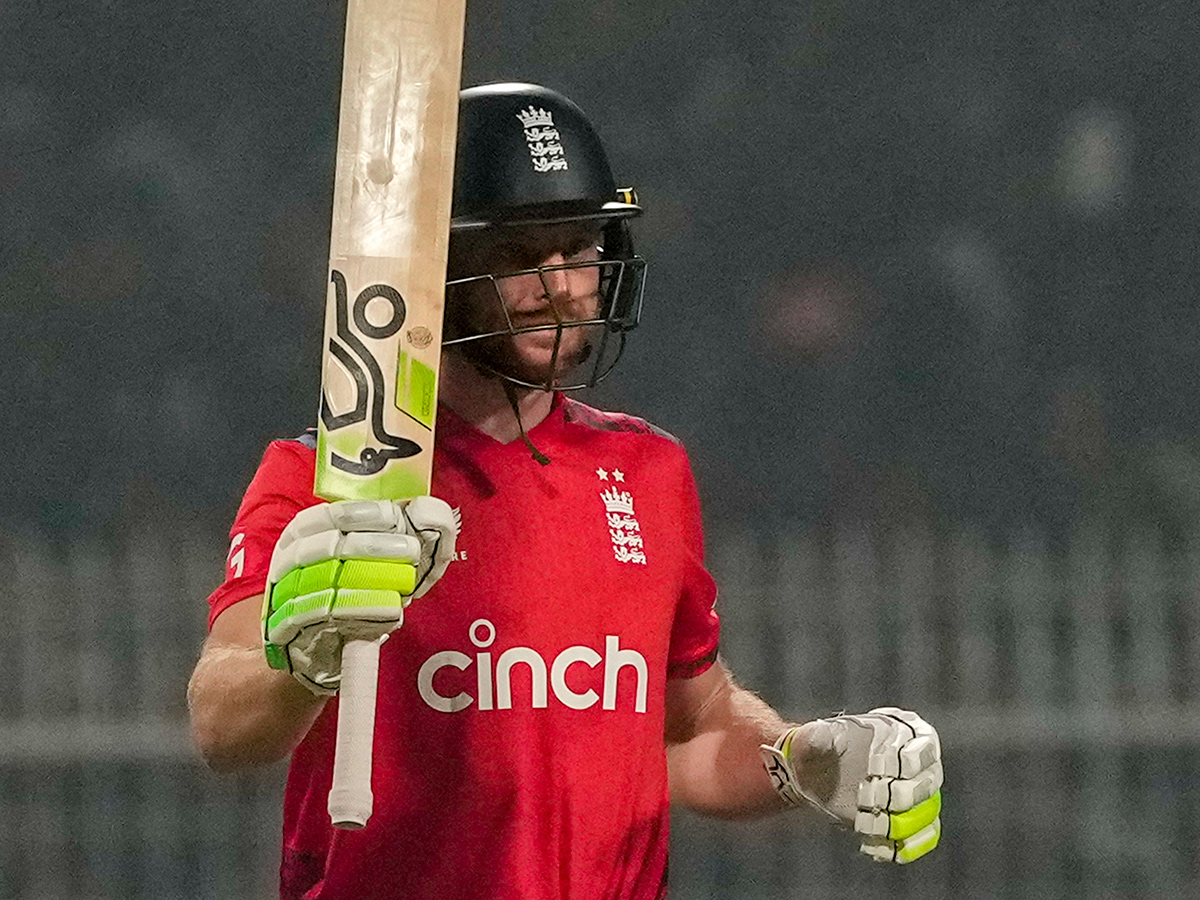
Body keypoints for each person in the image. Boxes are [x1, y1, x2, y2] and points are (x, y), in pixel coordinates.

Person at [187, 82, 943, 900]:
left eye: (578, 248)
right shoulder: (328, 474)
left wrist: (802, 762)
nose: (560, 285)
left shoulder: (649, 471)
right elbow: (220, 725)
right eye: (519, 254)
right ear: (432, 267)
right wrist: (303, 662)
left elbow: (685, 731)